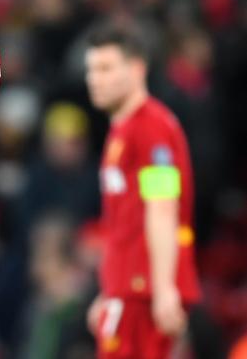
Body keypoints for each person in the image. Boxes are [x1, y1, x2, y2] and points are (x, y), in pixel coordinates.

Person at [83, 28, 202, 359]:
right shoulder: (122, 131)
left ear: (136, 69)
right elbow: (125, 221)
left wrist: (164, 288)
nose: (95, 79)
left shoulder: (152, 129)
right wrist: (109, 290)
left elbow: (162, 207)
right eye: (91, 69)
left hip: (144, 291)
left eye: (106, 68)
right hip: (128, 288)